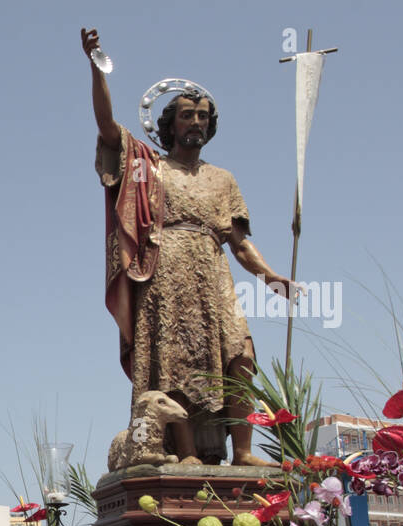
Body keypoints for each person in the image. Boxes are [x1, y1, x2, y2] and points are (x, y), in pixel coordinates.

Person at [83, 26, 295, 466]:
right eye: (186, 115)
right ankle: (186, 453)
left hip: (213, 274)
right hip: (164, 272)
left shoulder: (223, 179)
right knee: (171, 362)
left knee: (240, 355)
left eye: (202, 116)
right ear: (169, 124)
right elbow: (107, 127)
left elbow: (238, 243)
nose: (195, 122)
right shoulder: (148, 167)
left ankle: (243, 451)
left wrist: (269, 276)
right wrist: (97, 69)